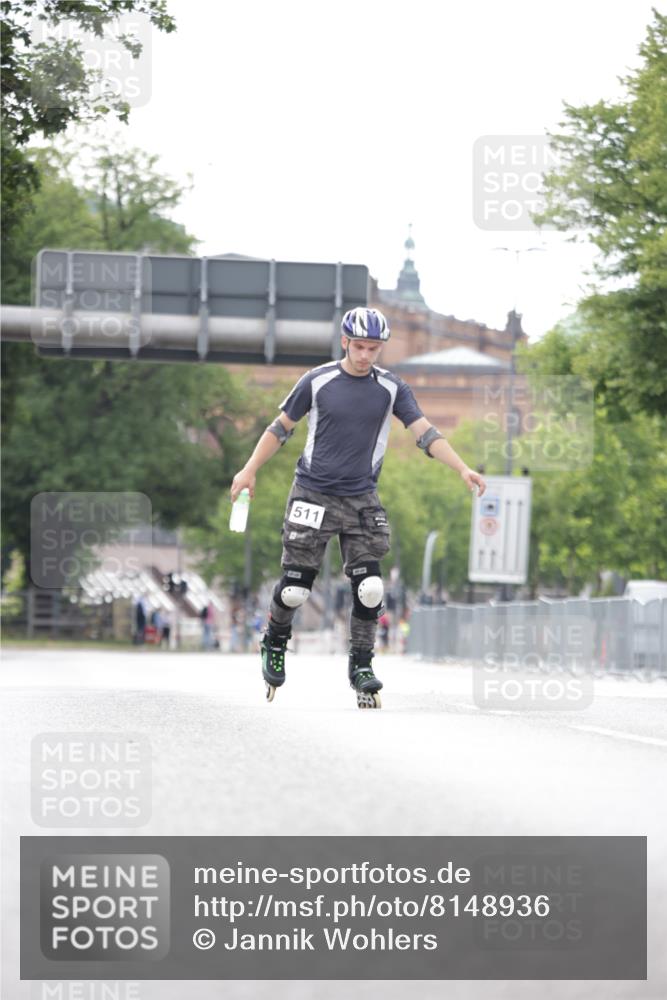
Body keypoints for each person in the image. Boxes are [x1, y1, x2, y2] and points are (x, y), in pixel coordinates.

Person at [230, 306, 486, 707]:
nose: (366, 355)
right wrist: (248, 471)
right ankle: (275, 641)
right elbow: (280, 428)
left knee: (370, 588)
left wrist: (462, 468)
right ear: (344, 342)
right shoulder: (317, 381)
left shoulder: (391, 388)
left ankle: (362, 665)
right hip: (312, 493)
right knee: (296, 590)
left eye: (374, 348)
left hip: (361, 497)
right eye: (360, 346)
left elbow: (425, 432)